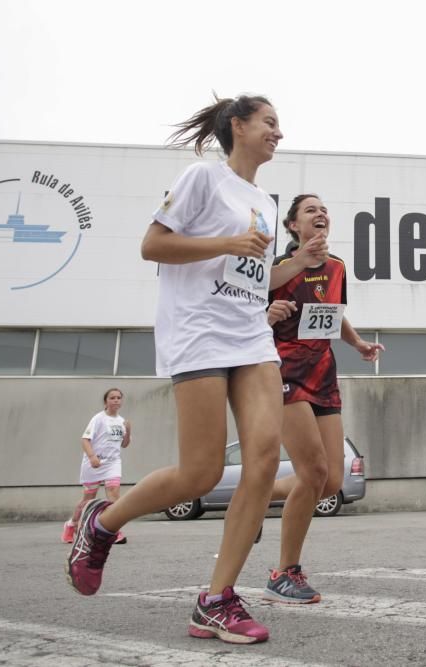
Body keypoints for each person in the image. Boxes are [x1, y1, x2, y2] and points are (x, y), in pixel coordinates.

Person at [65, 93, 284, 645]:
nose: (278, 133)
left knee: (263, 455)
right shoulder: (202, 178)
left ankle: (216, 601)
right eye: (269, 123)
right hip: (199, 331)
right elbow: (152, 245)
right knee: (201, 474)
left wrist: (289, 270)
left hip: (251, 333)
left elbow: (251, 273)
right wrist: (228, 241)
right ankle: (102, 523)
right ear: (238, 125)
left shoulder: (267, 201)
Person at [263, 194, 384, 603]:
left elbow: (333, 312)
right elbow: (244, 315)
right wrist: (267, 316)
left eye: (324, 209)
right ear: (294, 226)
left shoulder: (337, 268)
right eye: (310, 210)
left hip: (323, 374)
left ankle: (257, 493)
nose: (321, 213)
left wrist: (358, 343)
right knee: (312, 471)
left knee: (330, 481)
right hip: (284, 372)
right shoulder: (277, 270)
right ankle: (284, 572)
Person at [61, 388, 131, 545]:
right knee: (88, 498)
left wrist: (128, 431)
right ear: (106, 401)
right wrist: (92, 457)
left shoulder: (121, 421)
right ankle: (71, 525)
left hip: (113, 462)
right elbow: (85, 440)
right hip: (95, 462)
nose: (116, 400)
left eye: (119, 398)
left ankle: (114, 531)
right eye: (112, 398)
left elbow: (124, 444)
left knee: (114, 495)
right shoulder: (98, 419)